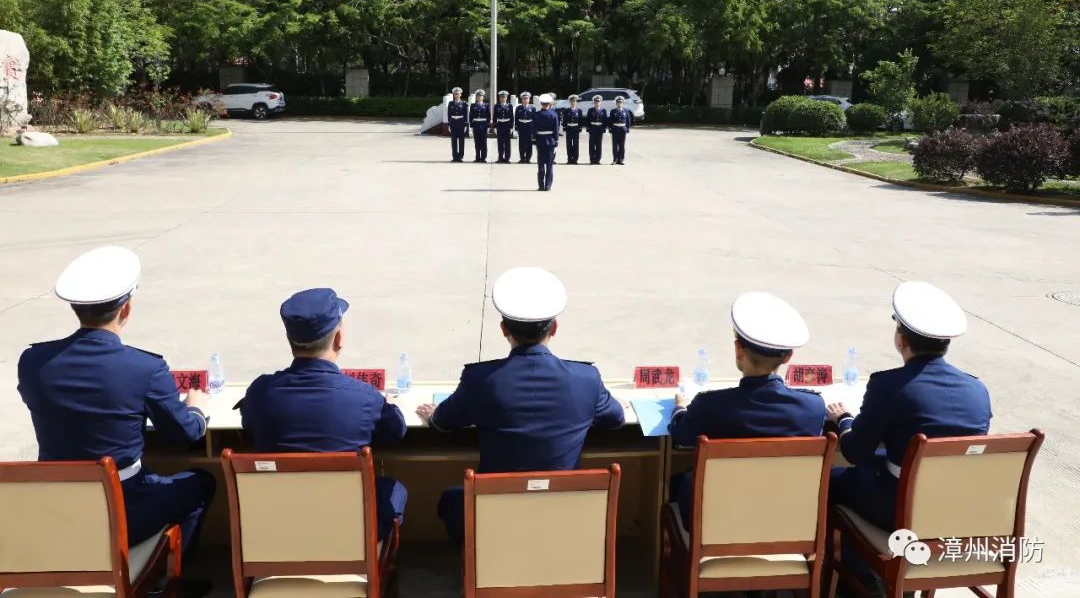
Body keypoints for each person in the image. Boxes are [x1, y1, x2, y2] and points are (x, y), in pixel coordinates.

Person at [17, 247, 215, 597]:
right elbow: (183, 434)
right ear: (127, 308)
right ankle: (170, 583)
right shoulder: (144, 368)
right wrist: (197, 409)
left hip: (57, 511)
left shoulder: (32, 362)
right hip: (124, 509)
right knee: (200, 482)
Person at [415, 267, 625, 543]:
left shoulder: (480, 379)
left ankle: (487, 569)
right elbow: (616, 418)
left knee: (451, 501)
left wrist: (435, 414)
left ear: (503, 330)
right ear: (555, 328)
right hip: (562, 517)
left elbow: (444, 422)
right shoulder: (585, 379)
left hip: (498, 520)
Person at [827, 281, 991, 597]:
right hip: (957, 509)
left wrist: (844, 419)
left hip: (902, 510)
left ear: (901, 340)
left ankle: (855, 578)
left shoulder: (889, 385)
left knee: (832, 479)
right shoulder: (977, 390)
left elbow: (854, 450)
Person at [240, 288, 408, 540]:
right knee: (393, 488)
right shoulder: (363, 397)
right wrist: (389, 404)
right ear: (339, 338)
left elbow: (248, 424)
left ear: (290, 339)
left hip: (278, 531)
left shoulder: (261, 392)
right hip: (347, 534)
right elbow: (396, 431)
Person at [667, 292, 825, 528]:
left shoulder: (710, 405)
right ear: (789, 356)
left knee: (679, 481)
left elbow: (682, 435)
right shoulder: (812, 407)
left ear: (739, 350)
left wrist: (679, 408)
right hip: (784, 523)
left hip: (716, 524)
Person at [533, 93, 560, 191]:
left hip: (540, 140)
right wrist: (556, 142)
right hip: (550, 141)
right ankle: (548, 186)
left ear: (541, 103)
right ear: (549, 103)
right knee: (549, 165)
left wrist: (534, 141)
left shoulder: (536, 115)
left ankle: (540, 185)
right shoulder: (554, 114)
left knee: (540, 164)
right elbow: (556, 130)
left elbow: (534, 129)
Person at [606, 95, 632, 165]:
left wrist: (628, 128)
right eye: (618, 102)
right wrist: (610, 128)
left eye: (621, 102)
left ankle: (621, 160)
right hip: (615, 129)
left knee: (622, 145)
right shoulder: (613, 111)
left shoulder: (626, 111)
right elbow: (610, 121)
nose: (619, 104)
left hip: (623, 129)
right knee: (615, 145)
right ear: (616, 103)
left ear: (623, 103)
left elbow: (628, 120)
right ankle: (615, 159)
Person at [447, 87, 469, 162]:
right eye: (455, 94)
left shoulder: (464, 103)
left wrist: (466, 125)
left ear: (460, 95)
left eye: (458, 94)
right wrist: (449, 125)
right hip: (453, 123)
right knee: (454, 141)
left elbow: (466, 115)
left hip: (461, 123)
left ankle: (460, 157)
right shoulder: (451, 103)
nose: (456, 95)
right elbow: (449, 114)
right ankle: (455, 156)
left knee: (461, 141)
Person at [493, 90, 515, 163]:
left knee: (507, 142)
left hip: (507, 125)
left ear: (506, 98)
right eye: (501, 97)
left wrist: (511, 127)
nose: (503, 99)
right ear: (499, 98)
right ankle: (500, 158)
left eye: (504, 97)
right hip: (499, 125)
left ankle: (507, 158)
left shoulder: (510, 106)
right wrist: (495, 126)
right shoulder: (496, 106)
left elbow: (512, 117)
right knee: (500, 142)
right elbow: (494, 117)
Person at [469, 89, 490, 163]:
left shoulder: (486, 105)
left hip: (483, 125)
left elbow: (488, 116)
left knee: (483, 142)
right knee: (477, 142)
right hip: (476, 125)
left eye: (481, 96)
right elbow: (470, 116)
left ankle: (483, 158)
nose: (479, 97)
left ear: (483, 97)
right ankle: (477, 157)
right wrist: (471, 126)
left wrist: (488, 126)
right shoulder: (473, 105)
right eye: (478, 96)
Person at [515, 91, 536, 163]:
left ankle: (528, 158)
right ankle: (522, 158)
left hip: (529, 127)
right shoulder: (518, 108)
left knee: (529, 143)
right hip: (521, 127)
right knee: (521, 143)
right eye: (524, 99)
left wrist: (534, 129)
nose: (525, 100)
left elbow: (534, 119)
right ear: (522, 100)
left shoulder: (532, 108)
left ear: (529, 99)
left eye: (526, 99)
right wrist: (516, 128)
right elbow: (516, 119)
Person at [562, 94, 584, 164]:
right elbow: (564, 120)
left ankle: (575, 159)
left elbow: (580, 120)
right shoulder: (566, 110)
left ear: (576, 102)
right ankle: (569, 159)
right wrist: (564, 127)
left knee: (575, 144)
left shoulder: (579, 111)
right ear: (569, 102)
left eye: (574, 101)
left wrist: (580, 127)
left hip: (575, 128)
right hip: (569, 128)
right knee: (568, 144)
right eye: (571, 101)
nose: (573, 102)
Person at [586, 94, 607, 165]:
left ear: (600, 102)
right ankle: (592, 159)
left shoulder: (603, 110)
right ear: (594, 102)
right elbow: (588, 120)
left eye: (598, 101)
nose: (597, 103)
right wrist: (588, 128)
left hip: (600, 129)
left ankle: (597, 159)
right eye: (596, 101)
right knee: (592, 145)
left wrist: (604, 128)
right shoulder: (590, 110)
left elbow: (605, 120)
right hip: (592, 129)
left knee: (599, 145)